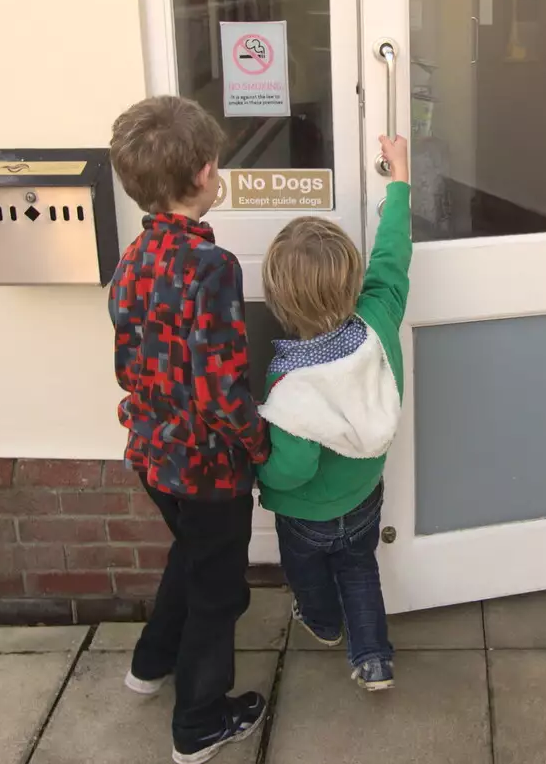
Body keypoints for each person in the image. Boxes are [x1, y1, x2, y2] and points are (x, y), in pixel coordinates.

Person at [107, 96, 270, 764]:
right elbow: (221, 388)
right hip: (208, 469)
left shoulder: (132, 259)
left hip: (151, 455)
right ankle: (200, 722)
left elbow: (127, 363)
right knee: (217, 592)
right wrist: (257, 443)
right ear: (206, 173)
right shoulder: (213, 268)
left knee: (192, 556)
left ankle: (150, 663)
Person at [256, 134, 412, 691]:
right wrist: (398, 184)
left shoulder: (291, 384)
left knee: (309, 574)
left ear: (278, 298)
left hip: (306, 516)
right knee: (359, 567)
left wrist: (261, 477)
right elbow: (393, 258)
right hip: (366, 495)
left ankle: (322, 625)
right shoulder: (379, 320)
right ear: (351, 279)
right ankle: (373, 658)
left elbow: (292, 467)